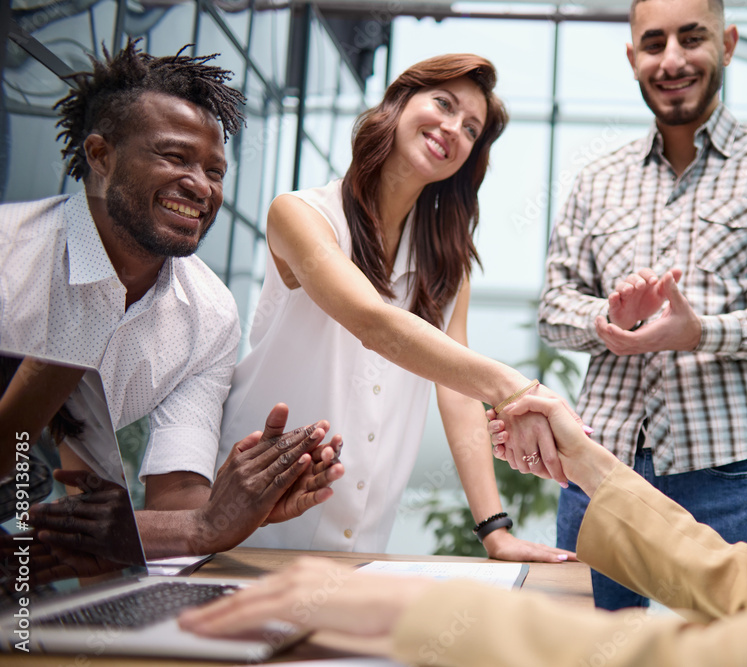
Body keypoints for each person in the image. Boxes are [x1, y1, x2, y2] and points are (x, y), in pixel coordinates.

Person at [181, 34, 747, 666]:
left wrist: (425, 608)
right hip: (265, 503)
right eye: (443, 107)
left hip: (715, 466)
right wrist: (585, 456)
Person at [215, 54, 572, 561]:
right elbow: (373, 322)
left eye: (471, 128)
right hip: (254, 525)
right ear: (399, 103)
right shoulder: (301, 215)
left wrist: (496, 531)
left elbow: (457, 394)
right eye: (443, 104)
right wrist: (515, 388)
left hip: (361, 537)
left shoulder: (447, 266)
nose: (453, 129)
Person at [534, 0, 747, 609]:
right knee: (591, 649)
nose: (672, 60)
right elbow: (552, 307)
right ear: (632, 57)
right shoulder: (597, 179)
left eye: (692, 39)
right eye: (654, 43)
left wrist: (701, 332)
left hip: (730, 480)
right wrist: (605, 320)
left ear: (729, 44)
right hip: (598, 469)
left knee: (745, 648)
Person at [0, 40, 343, 559]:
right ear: (101, 156)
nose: (201, 187)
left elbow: (177, 501)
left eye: (214, 170)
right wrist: (202, 525)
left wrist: (230, 510)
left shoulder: (209, 313)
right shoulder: (10, 257)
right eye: (174, 156)